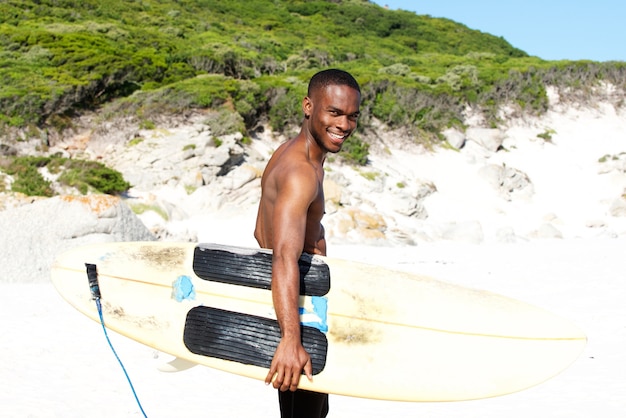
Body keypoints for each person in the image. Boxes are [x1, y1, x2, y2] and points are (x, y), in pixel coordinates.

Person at [254, 69, 361, 418]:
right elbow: (283, 257)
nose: (344, 125)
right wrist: (290, 338)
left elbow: (260, 233)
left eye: (352, 116)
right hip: (301, 311)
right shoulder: (301, 172)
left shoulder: (290, 153)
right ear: (308, 106)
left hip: (300, 304)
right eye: (334, 113)